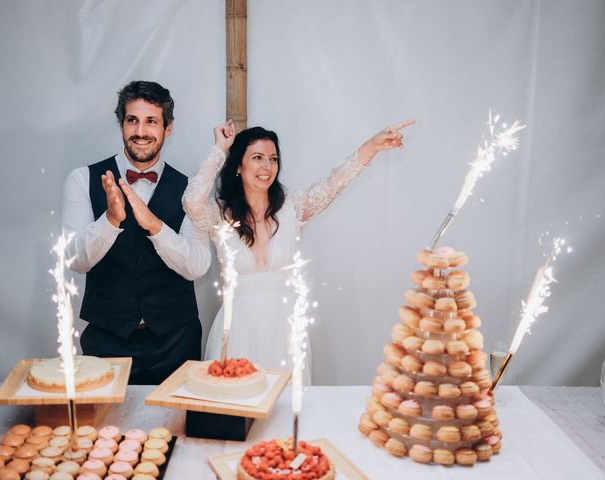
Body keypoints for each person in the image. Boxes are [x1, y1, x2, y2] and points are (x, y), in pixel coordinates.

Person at [182, 119, 414, 383]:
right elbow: (191, 202)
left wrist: (372, 146)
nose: (267, 166)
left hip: (284, 330)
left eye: (273, 159)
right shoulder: (221, 214)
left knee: (283, 414)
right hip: (237, 329)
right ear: (239, 165)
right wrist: (219, 149)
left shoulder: (293, 207)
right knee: (233, 411)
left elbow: (334, 183)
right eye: (257, 157)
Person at [62, 81, 211, 385]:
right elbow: (75, 260)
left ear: (167, 128)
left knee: (174, 430)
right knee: (105, 430)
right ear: (121, 125)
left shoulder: (192, 190)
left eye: (151, 121)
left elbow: (197, 265)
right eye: (132, 120)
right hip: (106, 340)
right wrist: (111, 220)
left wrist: (155, 226)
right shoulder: (82, 179)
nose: (140, 131)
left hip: (176, 341)